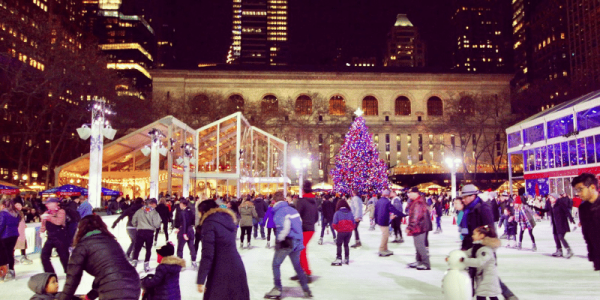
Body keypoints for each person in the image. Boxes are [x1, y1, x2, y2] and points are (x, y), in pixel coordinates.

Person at [58, 215, 140, 300]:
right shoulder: (111, 241)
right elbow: (108, 274)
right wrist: (89, 296)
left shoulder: (82, 246)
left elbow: (72, 279)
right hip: (133, 283)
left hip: (113, 287)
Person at [459, 185, 517, 300]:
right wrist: (464, 248)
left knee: (487, 278)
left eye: (465, 197)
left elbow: (489, 229)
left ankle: (508, 295)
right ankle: (507, 295)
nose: (463, 200)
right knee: (484, 279)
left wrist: (481, 242)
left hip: (483, 247)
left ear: (473, 196)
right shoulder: (468, 209)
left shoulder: (482, 208)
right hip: (473, 246)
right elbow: (467, 232)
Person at [196, 200, 250, 300]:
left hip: (220, 271)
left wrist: (200, 280)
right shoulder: (228, 219)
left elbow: (207, 255)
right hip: (237, 267)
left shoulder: (209, 223)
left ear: (203, 212)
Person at [264, 191, 313, 299]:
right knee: (297, 266)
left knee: (275, 264)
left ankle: (277, 288)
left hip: (287, 242)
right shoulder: (292, 209)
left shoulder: (280, 211)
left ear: (274, 201)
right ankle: (306, 289)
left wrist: (279, 240)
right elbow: (299, 222)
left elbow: (284, 228)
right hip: (296, 241)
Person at [462, 225, 502, 300]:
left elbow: (479, 262)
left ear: (481, 236)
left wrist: (464, 260)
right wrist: (456, 255)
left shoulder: (485, 249)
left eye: (474, 234)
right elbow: (467, 253)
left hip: (487, 278)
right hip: (483, 277)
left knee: (483, 295)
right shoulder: (477, 247)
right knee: (489, 296)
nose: (472, 236)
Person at [572, 173, 600, 272]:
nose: (578, 193)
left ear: (592, 187)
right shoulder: (583, 208)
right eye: (576, 190)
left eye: (580, 189)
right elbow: (587, 233)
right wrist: (593, 255)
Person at [294, 180, 318, 279]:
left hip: (303, 228)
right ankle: (301, 272)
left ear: (303, 190)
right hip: (311, 228)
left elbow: (296, 215)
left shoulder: (302, 201)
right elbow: (316, 217)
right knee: (300, 249)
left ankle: (307, 273)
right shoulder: (314, 201)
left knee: (301, 250)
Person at [540, 193, 575, 258]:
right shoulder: (552, 205)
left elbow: (566, 211)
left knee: (560, 237)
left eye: (551, 198)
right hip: (555, 224)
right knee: (556, 237)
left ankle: (569, 250)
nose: (549, 199)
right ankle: (559, 250)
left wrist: (571, 218)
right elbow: (546, 210)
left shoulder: (560, 203)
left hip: (562, 223)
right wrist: (537, 209)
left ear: (555, 198)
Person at [131, 198, 162, 272]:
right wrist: (155, 226)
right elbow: (157, 224)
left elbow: (133, 220)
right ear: (153, 204)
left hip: (140, 231)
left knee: (137, 247)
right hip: (149, 232)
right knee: (148, 249)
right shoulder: (154, 213)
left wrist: (137, 226)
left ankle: (134, 261)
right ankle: (146, 264)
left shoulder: (139, 211)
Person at [40, 198, 69, 274]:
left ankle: (69, 272)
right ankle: (50, 273)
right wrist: (42, 231)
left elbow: (58, 222)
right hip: (50, 236)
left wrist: (48, 217)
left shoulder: (61, 211)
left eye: (48, 203)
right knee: (44, 255)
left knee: (64, 256)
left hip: (60, 236)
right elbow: (43, 223)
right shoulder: (46, 212)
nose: (46, 205)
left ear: (55, 203)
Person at [374, 189, 405, 257]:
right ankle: (381, 250)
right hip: (384, 220)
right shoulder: (387, 201)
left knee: (386, 234)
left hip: (380, 220)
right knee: (385, 235)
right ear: (387, 195)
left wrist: (376, 220)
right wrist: (402, 214)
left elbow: (375, 210)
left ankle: (385, 249)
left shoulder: (379, 200)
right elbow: (393, 209)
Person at [405, 187, 431, 270]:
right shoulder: (416, 201)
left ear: (416, 193)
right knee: (418, 245)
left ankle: (426, 263)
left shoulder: (418, 203)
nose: (409, 194)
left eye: (410, 193)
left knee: (420, 246)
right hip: (419, 226)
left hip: (419, 227)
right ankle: (419, 261)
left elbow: (415, 217)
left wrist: (410, 227)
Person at [0, 198, 21, 280]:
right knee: (10, 253)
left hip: (4, 236)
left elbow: (1, 225)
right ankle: (11, 270)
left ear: (3, 205)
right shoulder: (16, 213)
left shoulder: (3, 213)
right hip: (14, 235)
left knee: (3, 255)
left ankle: (3, 272)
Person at [330, 199, 355, 266]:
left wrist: (338, 229)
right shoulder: (350, 212)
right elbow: (354, 223)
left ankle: (339, 258)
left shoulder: (337, 213)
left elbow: (334, 224)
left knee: (339, 244)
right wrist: (350, 228)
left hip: (341, 231)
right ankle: (346, 258)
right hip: (349, 232)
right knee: (346, 244)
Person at [174, 199, 197, 268]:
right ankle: (193, 261)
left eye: (180, 204)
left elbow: (184, 223)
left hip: (184, 232)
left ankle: (180, 263)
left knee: (180, 248)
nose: (179, 205)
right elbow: (192, 221)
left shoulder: (183, 212)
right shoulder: (191, 211)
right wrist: (179, 229)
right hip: (190, 230)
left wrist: (184, 233)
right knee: (191, 247)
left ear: (183, 204)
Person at [13, 198, 33, 264]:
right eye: (17, 205)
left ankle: (23, 256)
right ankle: (13, 258)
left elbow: (22, 221)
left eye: (20, 205)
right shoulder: (15, 213)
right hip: (17, 232)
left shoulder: (20, 212)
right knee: (15, 245)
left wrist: (23, 224)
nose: (19, 206)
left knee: (22, 244)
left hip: (21, 232)